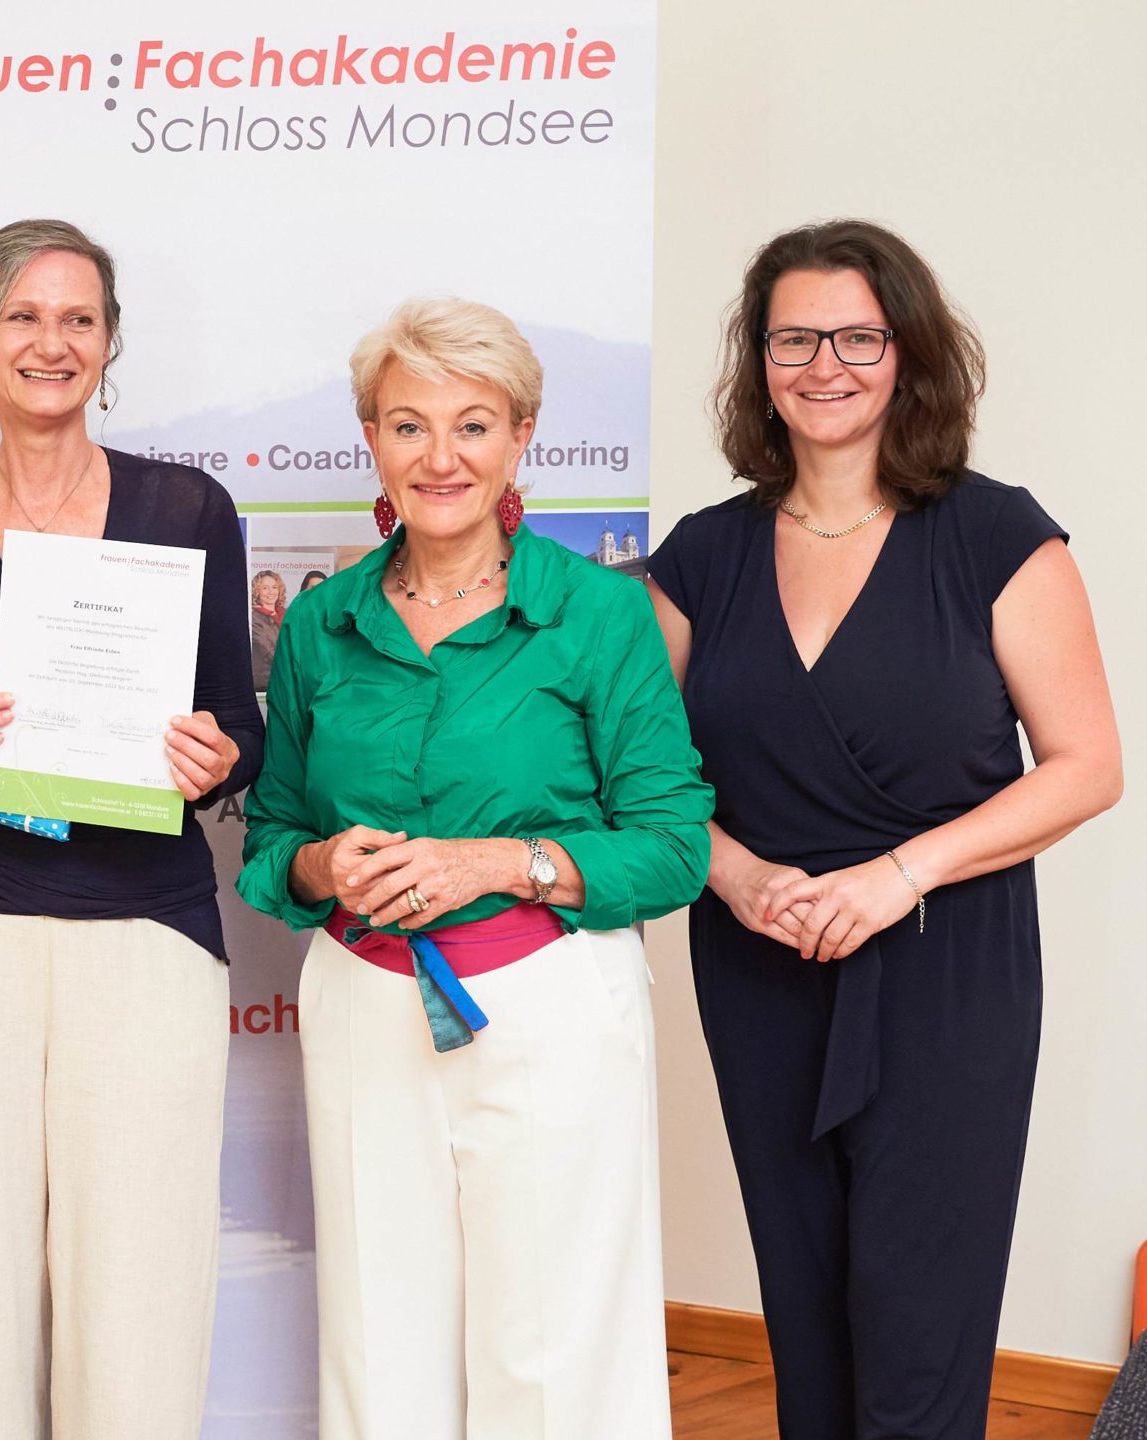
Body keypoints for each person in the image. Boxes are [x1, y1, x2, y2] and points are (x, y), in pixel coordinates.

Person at [646, 220, 1121, 1440]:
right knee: (806, 1321)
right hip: (761, 962)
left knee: (921, 1330)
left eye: (858, 337)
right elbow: (631, 776)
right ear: (758, 362)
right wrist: (735, 876)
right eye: (794, 339)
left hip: (944, 969)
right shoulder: (701, 556)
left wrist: (896, 877)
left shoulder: (996, 534)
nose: (826, 365)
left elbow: (1087, 768)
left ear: (908, 353)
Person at [237, 297, 712, 1440]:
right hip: (364, 1002)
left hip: (550, 1001)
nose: (439, 457)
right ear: (372, 440)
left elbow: (674, 844)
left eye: (473, 425)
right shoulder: (322, 627)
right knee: (377, 1333)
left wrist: (503, 861)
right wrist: (320, 865)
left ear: (521, 436)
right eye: (409, 425)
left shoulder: (599, 614)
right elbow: (270, 841)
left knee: (552, 1351)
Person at [0, 218, 263, 1439]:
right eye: (24, 316)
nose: (51, 342)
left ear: (110, 341)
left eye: (79, 318)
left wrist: (220, 757)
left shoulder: (188, 508)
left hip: (145, 939)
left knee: (137, 1281)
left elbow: (242, 726)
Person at [250, 567, 286, 688]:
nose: (271, 592)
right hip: (266, 683)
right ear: (257, 591)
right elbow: (269, 652)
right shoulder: (253, 619)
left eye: (274, 587)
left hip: (287, 679)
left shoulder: (287, 615)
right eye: (265, 588)